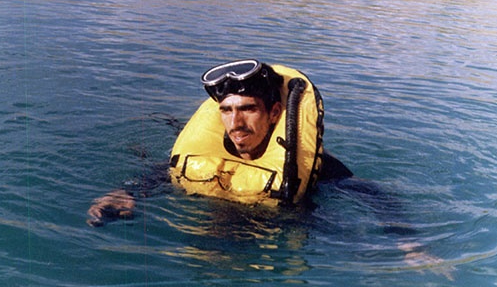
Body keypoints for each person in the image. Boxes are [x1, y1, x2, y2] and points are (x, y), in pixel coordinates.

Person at [87, 59, 351, 226]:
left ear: (274, 113)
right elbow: (160, 175)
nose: (235, 123)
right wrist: (126, 192)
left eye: (248, 109)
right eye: (226, 110)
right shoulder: (199, 155)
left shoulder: (320, 169)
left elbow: (365, 198)